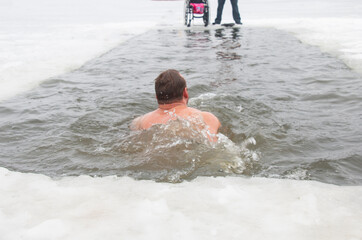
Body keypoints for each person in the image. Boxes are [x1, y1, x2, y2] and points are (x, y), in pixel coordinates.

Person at [131, 69, 221, 141]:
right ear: (185, 92)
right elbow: (213, 144)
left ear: (157, 97)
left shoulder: (139, 122)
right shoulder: (205, 117)